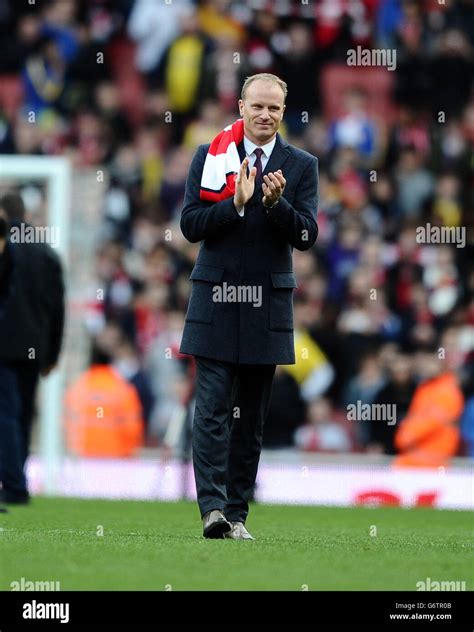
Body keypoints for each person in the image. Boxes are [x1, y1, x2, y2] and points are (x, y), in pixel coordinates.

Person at [179, 73, 319, 539]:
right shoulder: (210, 156)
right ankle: (213, 511)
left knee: (251, 420)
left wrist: (276, 206)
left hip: (267, 307)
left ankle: (237, 516)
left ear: (283, 112)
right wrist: (235, 205)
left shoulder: (301, 166)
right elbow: (191, 225)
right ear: (240, 106)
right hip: (215, 300)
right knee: (213, 410)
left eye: (274, 109)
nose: (265, 115)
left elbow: (306, 235)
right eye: (257, 106)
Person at [0, 192, 65, 505]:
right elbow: (58, 309)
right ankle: (16, 476)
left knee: (7, 412)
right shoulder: (46, 254)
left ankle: (14, 484)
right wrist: (52, 354)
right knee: (23, 413)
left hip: (4, 346)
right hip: (34, 347)